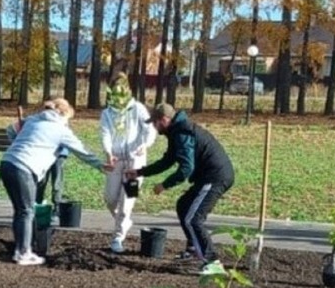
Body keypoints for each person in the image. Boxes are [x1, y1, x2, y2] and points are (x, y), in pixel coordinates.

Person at [0, 97, 106, 265]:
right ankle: (24, 253)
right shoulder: (60, 130)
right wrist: (102, 166)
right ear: (64, 115)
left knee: (20, 210)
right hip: (24, 168)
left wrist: (19, 144)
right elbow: (82, 152)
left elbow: (10, 130)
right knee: (26, 211)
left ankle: (19, 250)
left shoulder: (33, 119)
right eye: (69, 119)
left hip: (7, 163)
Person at [134, 103, 236, 273]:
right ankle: (193, 249)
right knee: (183, 205)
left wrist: (164, 185)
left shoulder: (182, 133)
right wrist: (139, 172)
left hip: (215, 177)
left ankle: (213, 263)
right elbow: (167, 161)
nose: (153, 126)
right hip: (209, 176)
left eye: (155, 122)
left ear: (164, 120)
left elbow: (186, 168)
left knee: (193, 219)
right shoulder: (176, 132)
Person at [98, 72, 158, 253]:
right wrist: (108, 152)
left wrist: (144, 145)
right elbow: (105, 133)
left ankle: (118, 237)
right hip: (115, 161)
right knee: (110, 199)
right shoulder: (107, 113)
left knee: (127, 201)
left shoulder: (137, 108)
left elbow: (150, 129)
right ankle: (124, 220)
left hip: (135, 162)